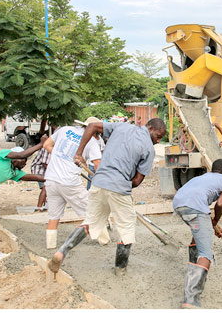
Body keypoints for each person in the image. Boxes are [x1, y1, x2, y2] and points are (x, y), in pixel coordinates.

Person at [48, 117, 166, 276]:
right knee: (126, 229)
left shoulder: (122, 127)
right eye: (158, 136)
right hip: (119, 187)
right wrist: (121, 185)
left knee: (89, 222)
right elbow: (137, 181)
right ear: (150, 128)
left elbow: (92, 126)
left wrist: (79, 153)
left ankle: (61, 252)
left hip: (98, 183)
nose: (158, 141)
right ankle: (120, 270)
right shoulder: (149, 150)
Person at [173, 159, 222, 307]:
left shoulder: (201, 178)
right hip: (196, 208)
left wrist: (211, 223)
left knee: (199, 234)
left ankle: (197, 273)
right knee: (206, 253)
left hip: (179, 204)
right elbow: (221, 203)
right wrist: (214, 221)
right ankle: (191, 300)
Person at [41, 118, 102, 250]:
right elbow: (97, 164)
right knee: (93, 212)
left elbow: (46, 145)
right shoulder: (91, 142)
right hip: (69, 182)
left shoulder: (64, 130)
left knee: (53, 216)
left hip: (51, 179)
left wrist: (61, 156)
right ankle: (105, 241)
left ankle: (50, 247)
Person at [31, 138, 51, 211]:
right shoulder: (48, 146)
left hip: (47, 170)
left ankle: (46, 206)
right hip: (39, 169)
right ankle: (38, 207)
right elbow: (45, 163)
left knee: (50, 186)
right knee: (45, 187)